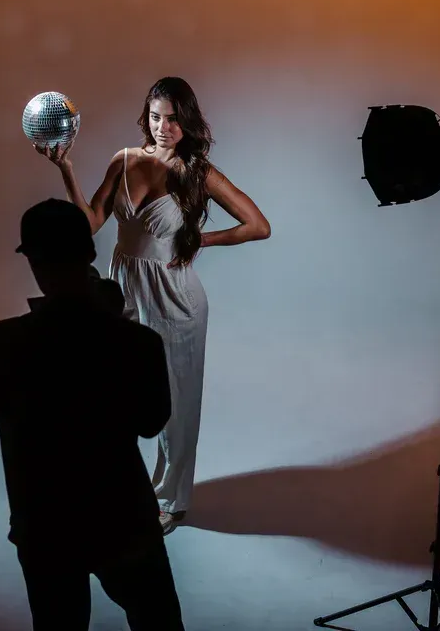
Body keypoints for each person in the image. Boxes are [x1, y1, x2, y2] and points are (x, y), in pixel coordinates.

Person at [37, 76, 270, 534]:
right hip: (122, 288)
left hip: (174, 299)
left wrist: (200, 239)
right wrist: (66, 170)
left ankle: (170, 501)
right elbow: (89, 224)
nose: (164, 128)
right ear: (146, 118)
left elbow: (257, 225)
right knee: (111, 394)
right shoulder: (124, 160)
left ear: (188, 122)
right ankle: (115, 484)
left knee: (174, 405)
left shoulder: (198, 172)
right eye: (156, 117)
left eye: (173, 119)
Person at [0, 198, 185, 629]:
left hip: (44, 523)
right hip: (123, 519)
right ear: (91, 254)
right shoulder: (139, 343)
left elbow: (0, 410)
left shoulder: (0, 341)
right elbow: (151, 422)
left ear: (33, 261)